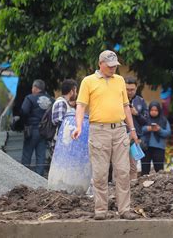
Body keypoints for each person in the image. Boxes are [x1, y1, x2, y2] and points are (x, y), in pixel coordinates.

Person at [72, 50, 139, 220]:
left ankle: (124, 209)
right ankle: (101, 210)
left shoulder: (120, 80)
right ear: (100, 64)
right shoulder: (88, 81)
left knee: (123, 172)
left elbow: (125, 106)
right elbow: (80, 106)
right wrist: (78, 126)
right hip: (99, 130)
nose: (112, 69)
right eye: (109, 66)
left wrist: (132, 130)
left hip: (119, 130)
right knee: (100, 173)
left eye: (115, 66)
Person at [21, 79, 54, 176]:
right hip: (45, 132)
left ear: (35, 88)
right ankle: (39, 179)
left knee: (27, 155)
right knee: (41, 156)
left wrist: (24, 123)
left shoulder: (30, 98)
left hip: (32, 130)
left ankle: (24, 177)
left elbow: (24, 112)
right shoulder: (52, 100)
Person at [125, 76, 149, 180]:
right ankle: (116, 190)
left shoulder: (141, 101)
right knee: (119, 166)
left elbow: (146, 121)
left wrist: (136, 114)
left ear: (136, 88)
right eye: (127, 89)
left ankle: (132, 190)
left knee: (133, 166)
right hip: (119, 136)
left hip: (134, 139)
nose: (130, 92)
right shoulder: (117, 100)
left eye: (132, 90)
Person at [141, 101, 171, 175]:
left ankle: (159, 185)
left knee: (159, 170)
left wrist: (159, 130)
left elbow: (168, 133)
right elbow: (139, 130)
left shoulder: (164, 120)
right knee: (145, 170)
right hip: (146, 147)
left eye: (156, 110)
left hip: (159, 148)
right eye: (152, 110)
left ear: (159, 111)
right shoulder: (144, 119)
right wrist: (147, 128)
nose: (153, 112)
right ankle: (144, 185)